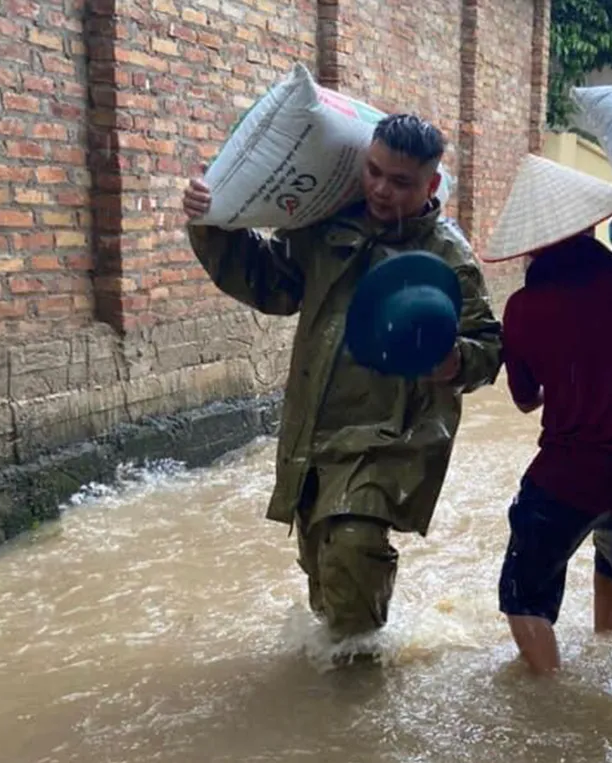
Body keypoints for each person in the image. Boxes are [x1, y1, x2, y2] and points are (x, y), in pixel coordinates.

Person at [182, 114, 502, 643]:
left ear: (431, 186)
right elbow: (272, 285)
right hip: (314, 430)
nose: (380, 188)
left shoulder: (448, 256)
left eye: (400, 182)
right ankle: (340, 685)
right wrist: (211, 222)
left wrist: (454, 361)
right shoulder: (330, 225)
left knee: (353, 551)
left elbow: (488, 347)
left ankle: (357, 696)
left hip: (391, 438)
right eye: (373, 171)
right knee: (324, 578)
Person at [487, 155, 612, 674]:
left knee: (521, 598)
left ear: (531, 243)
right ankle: (605, 643)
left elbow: (526, 400)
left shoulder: (524, 309)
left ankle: (554, 698)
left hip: (567, 481)